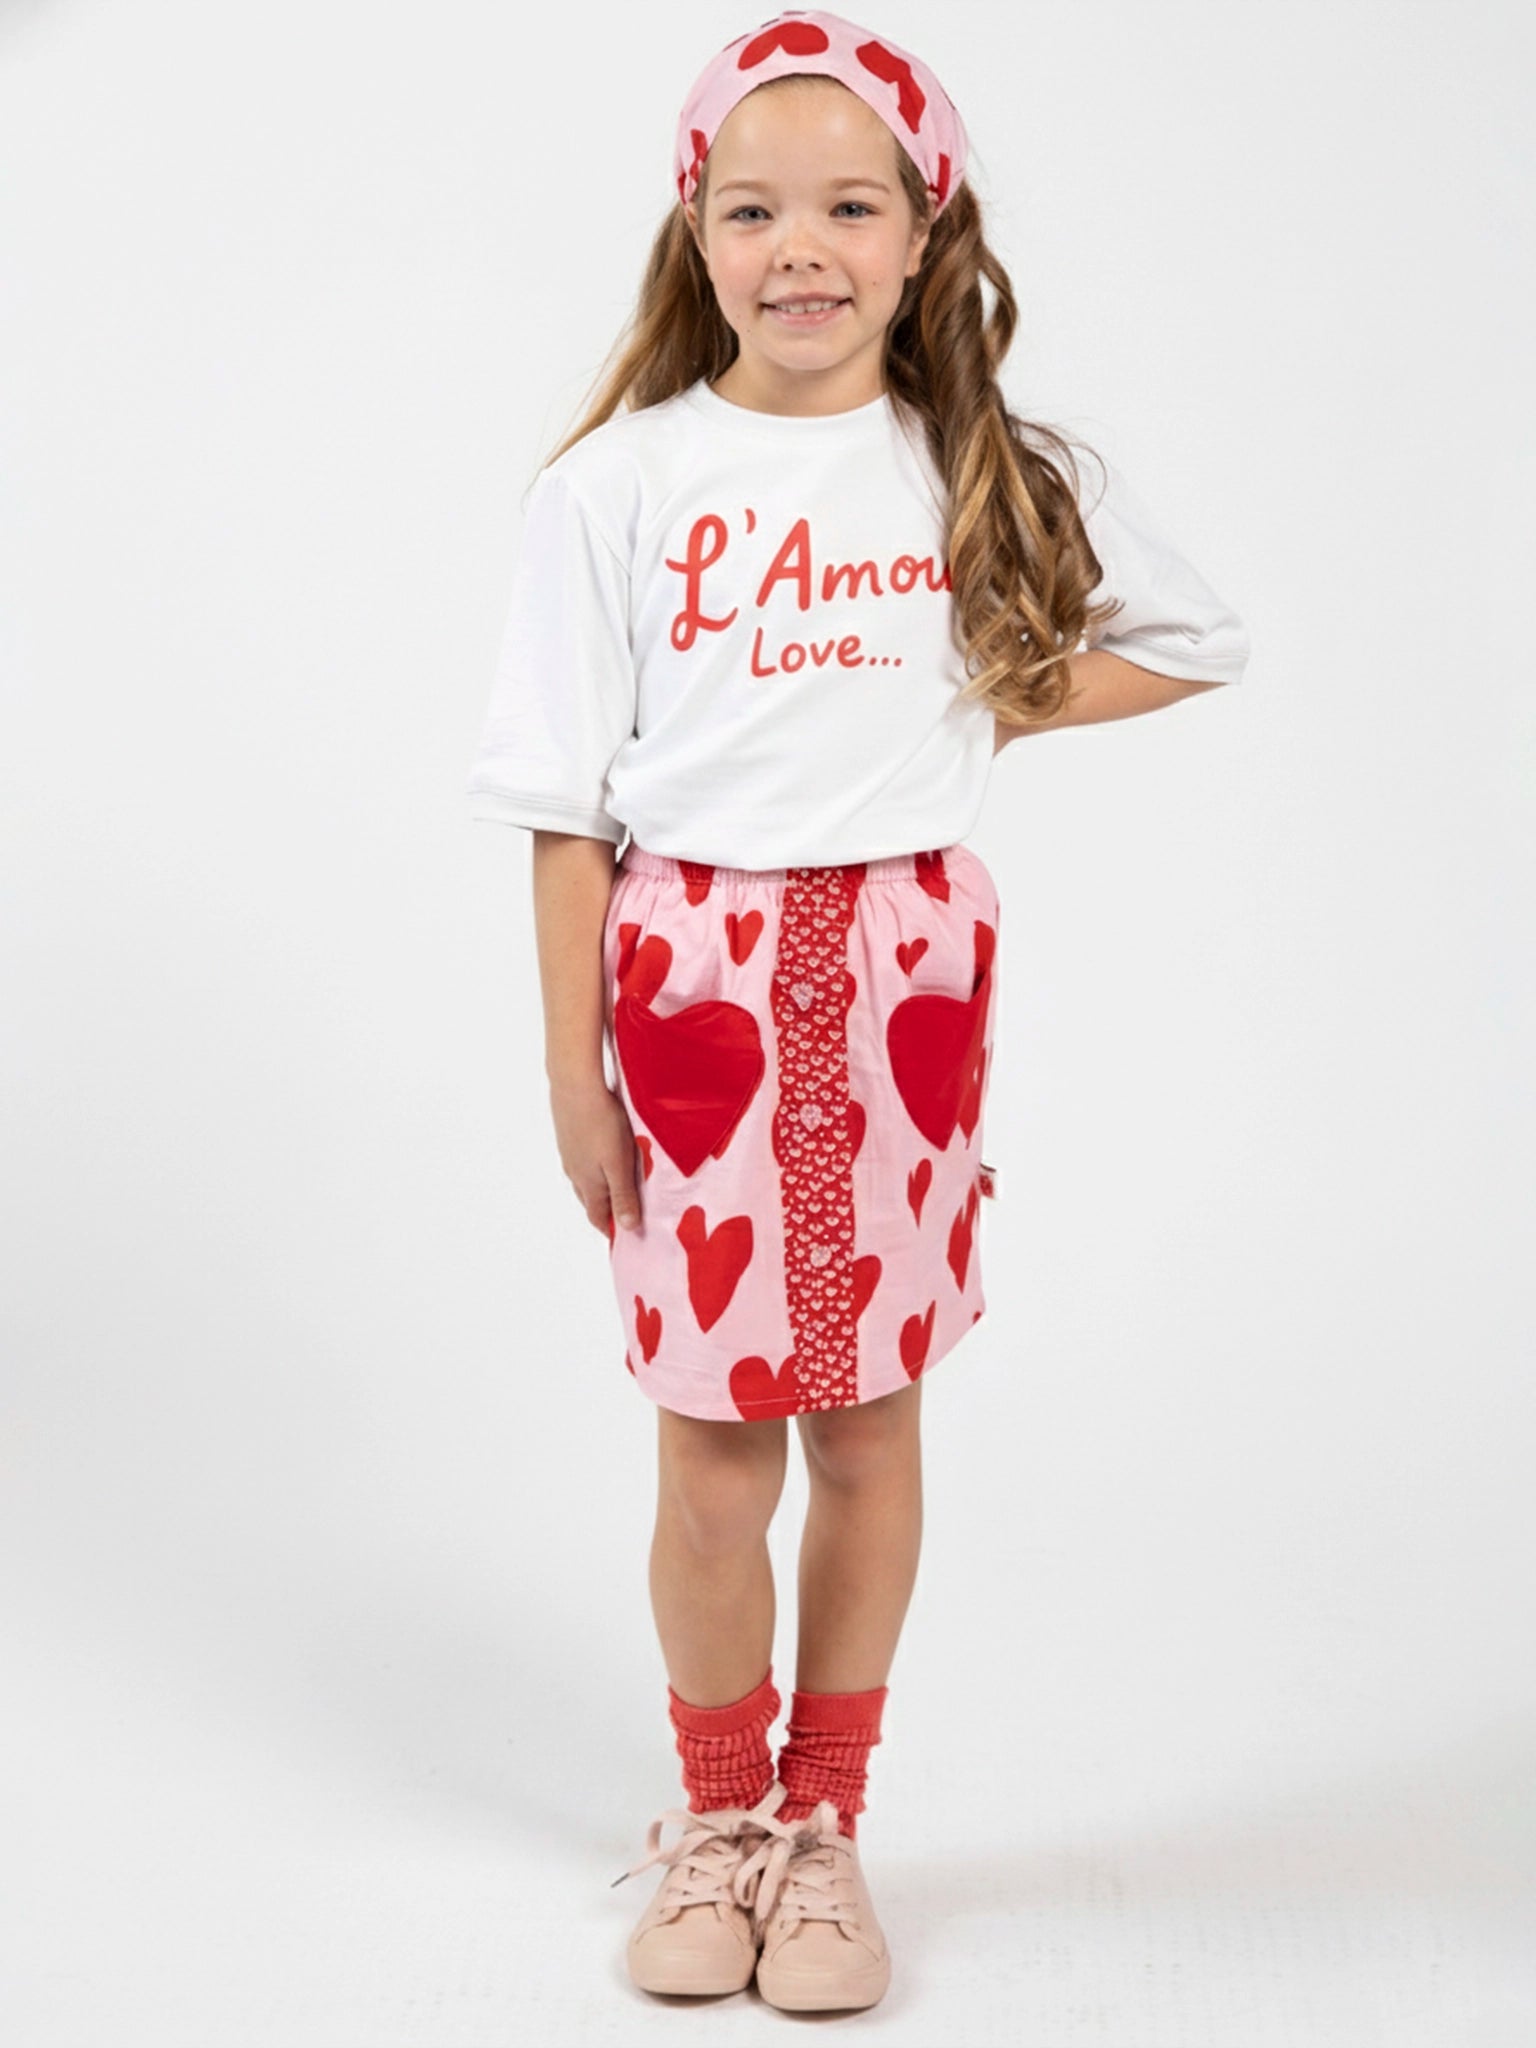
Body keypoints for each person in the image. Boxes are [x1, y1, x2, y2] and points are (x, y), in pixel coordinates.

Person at [466, 8, 1250, 2014]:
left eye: (848, 208)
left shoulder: (962, 469)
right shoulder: (619, 488)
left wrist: (976, 700)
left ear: (924, 235)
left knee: (871, 1423)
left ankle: (826, 1827)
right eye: (752, 210)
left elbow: (1194, 633)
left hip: (903, 983)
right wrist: (572, 1073)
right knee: (715, 1452)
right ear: (695, 232)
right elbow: (561, 807)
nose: (798, 247)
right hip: (692, 997)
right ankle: (718, 1816)